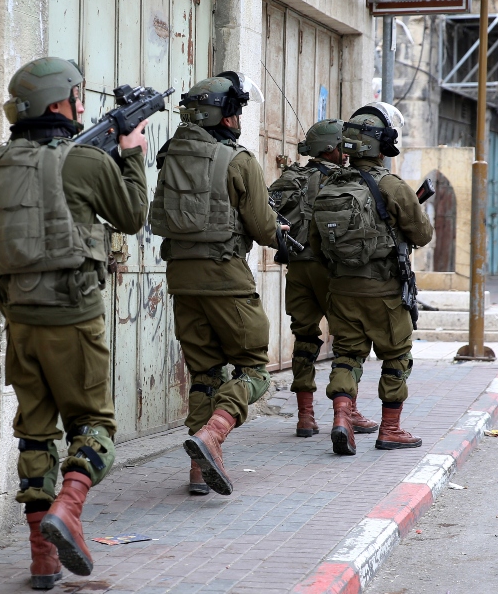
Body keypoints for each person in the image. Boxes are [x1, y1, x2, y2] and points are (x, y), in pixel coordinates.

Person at [0, 57, 149, 587]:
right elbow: (134, 215)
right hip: (75, 318)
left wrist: (13, 310)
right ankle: (68, 511)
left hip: (21, 322)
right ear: (58, 104)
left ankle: (42, 560)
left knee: (34, 433)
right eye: (76, 96)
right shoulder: (86, 163)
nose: (81, 105)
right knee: (96, 427)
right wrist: (133, 153)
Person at [149, 72, 279, 497]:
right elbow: (262, 227)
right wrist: (288, 237)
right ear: (222, 116)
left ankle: (197, 470)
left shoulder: (170, 156)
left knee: (204, 373)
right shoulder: (238, 160)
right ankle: (214, 435)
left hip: (181, 281)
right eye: (235, 111)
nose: (238, 118)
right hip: (226, 278)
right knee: (255, 370)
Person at [309, 102, 433, 456]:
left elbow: (317, 247)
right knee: (396, 356)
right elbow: (422, 235)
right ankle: (390, 430)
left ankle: (341, 419)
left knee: (347, 356)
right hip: (384, 291)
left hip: (342, 290)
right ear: (381, 145)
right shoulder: (391, 185)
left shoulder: (328, 186)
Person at [268, 119, 378, 438]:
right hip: (331, 270)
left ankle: (305, 416)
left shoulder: (290, 177)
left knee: (305, 338)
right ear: (330, 149)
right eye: (342, 146)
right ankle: (346, 413)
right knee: (348, 339)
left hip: (299, 268)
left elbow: (265, 209)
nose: (346, 152)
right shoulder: (346, 180)